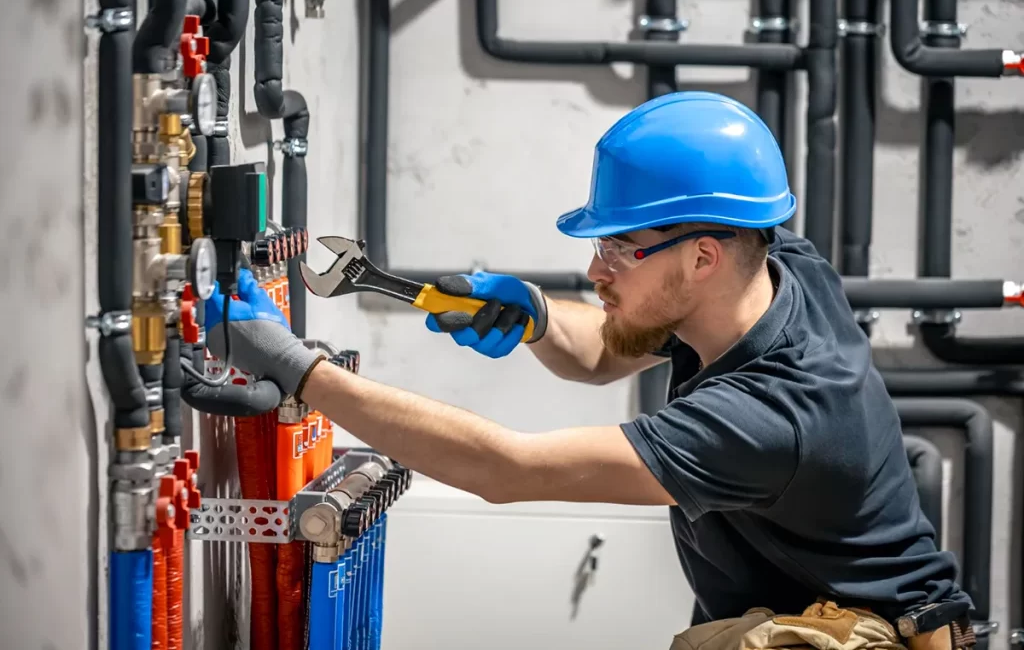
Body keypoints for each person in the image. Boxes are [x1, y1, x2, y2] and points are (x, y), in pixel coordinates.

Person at [204, 92, 974, 649]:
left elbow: (509, 469)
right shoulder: (776, 267)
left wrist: (303, 372)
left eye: (617, 247)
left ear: (704, 254)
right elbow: (609, 347)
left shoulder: (775, 417)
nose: (595, 269)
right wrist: (536, 315)